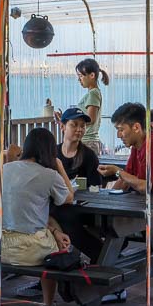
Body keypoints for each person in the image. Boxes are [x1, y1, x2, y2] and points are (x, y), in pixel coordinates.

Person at [0, 128, 73, 306]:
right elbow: (69, 198)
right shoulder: (49, 174)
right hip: (25, 249)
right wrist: (60, 167)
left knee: (47, 230)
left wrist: (54, 231)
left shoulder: (5, 169)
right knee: (57, 251)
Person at [97, 103, 153, 234]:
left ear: (136, 127)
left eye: (121, 129)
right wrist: (105, 202)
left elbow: (145, 186)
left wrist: (117, 171)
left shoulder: (152, 146)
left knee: (113, 230)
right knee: (104, 226)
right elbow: (125, 179)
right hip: (148, 211)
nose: (118, 135)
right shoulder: (138, 145)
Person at [52, 107, 104, 267]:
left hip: (80, 209)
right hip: (54, 206)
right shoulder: (52, 152)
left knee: (65, 219)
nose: (79, 129)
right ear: (63, 127)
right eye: (74, 125)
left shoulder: (88, 156)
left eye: (82, 126)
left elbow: (96, 188)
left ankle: (102, 255)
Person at [50, 58, 109, 154]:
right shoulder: (93, 93)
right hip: (87, 141)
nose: (79, 79)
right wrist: (65, 120)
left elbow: (90, 119)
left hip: (88, 142)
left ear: (92, 75)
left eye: (81, 76)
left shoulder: (93, 94)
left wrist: (70, 122)